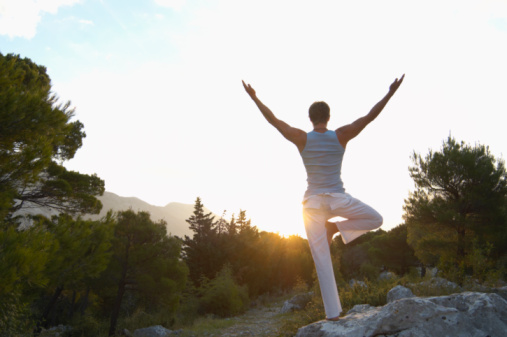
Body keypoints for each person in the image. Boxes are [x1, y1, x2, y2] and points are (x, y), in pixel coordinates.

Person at [242, 74, 405, 321]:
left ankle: (333, 315)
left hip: (312, 206)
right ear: (329, 117)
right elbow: (370, 117)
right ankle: (336, 227)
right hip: (338, 198)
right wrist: (390, 93)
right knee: (376, 219)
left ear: (310, 118)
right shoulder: (340, 135)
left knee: (322, 259)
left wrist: (254, 98)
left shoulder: (301, 138)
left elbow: (274, 121)